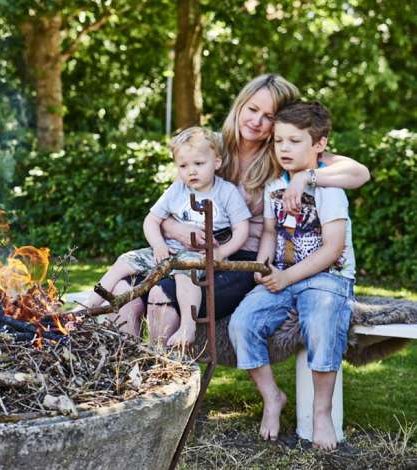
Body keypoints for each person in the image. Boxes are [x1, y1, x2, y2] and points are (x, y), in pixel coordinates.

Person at [110, 74, 369, 339]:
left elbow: (360, 173)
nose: (257, 121)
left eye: (268, 116)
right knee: (123, 290)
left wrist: (306, 176)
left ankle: (165, 370)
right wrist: (176, 228)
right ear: (241, 105)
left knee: (161, 293)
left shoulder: (282, 154)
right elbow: (170, 205)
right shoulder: (208, 145)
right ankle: (125, 371)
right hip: (189, 254)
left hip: (242, 261)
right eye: (253, 109)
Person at [228, 101, 355, 451]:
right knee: (242, 324)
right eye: (279, 140)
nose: (283, 148)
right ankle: (272, 397)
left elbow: (331, 250)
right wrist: (263, 264)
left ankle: (322, 412)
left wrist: (287, 278)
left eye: (294, 141)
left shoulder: (330, 189)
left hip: (328, 278)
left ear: (319, 144)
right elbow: (270, 232)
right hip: (283, 276)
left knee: (321, 321)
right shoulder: (273, 186)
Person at [87, 128, 250, 347]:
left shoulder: (226, 192)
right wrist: (158, 245)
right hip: (168, 250)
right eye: (183, 166)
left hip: (198, 255)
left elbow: (242, 230)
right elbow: (151, 220)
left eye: (199, 164)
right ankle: (87, 308)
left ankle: (187, 327)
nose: (191, 171)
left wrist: (221, 252)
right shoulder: (177, 189)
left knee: (186, 272)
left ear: (217, 162)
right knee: (124, 261)